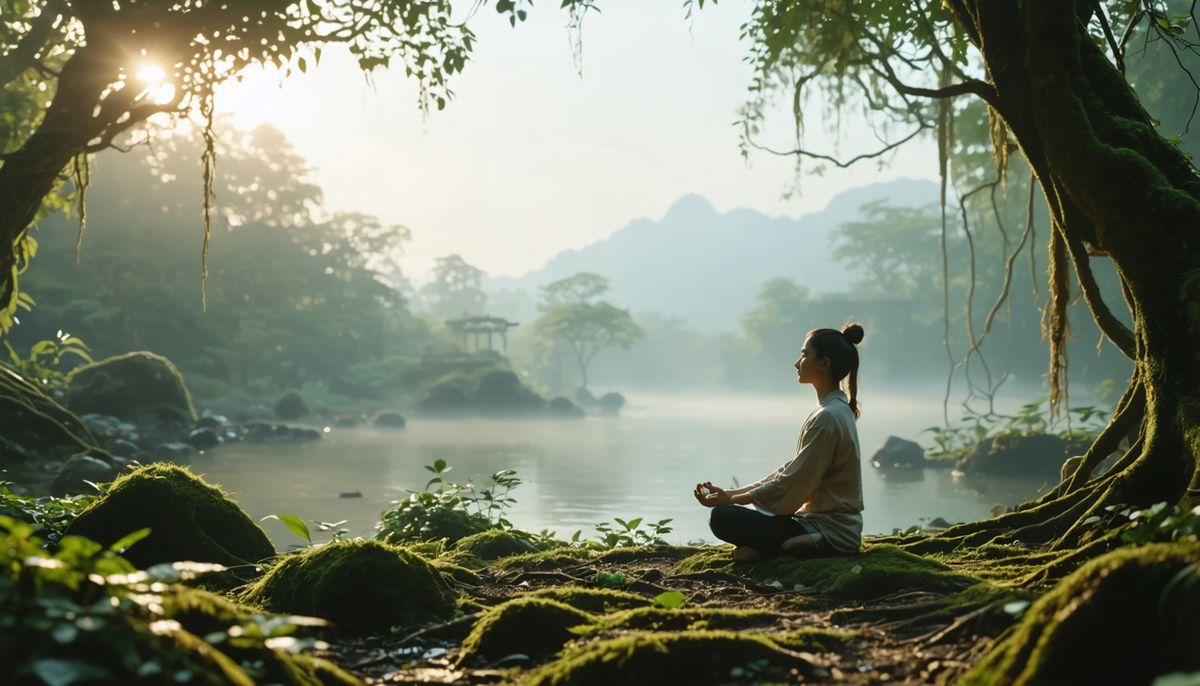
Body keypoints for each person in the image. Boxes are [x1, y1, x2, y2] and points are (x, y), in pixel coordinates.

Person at [694, 323, 865, 562]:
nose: (797, 363)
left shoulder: (828, 417)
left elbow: (796, 481)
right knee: (732, 511)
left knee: (723, 517)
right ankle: (779, 547)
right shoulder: (834, 410)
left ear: (824, 363)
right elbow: (791, 469)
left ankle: (795, 547)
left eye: (805, 355)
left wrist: (731, 501)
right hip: (816, 522)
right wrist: (732, 493)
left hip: (831, 530)